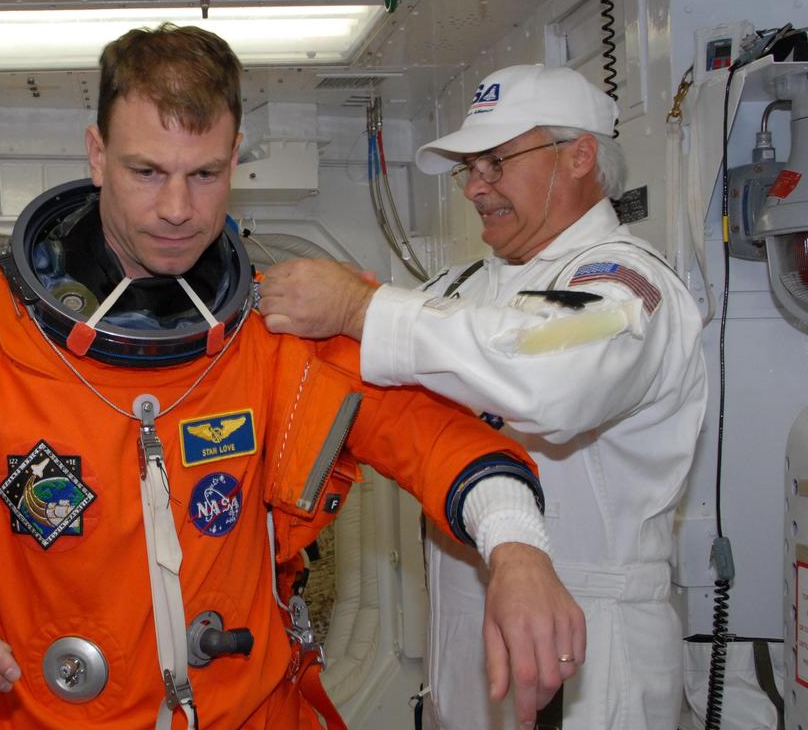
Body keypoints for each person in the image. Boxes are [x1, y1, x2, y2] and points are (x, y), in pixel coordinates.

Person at [0, 26, 584, 729]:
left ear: (235, 156)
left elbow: (434, 436)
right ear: (95, 155)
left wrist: (517, 548)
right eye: (146, 171)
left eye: (205, 174)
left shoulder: (275, 328)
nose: (177, 209)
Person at [258, 63, 706, 729]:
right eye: (471, 166)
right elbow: (377, 366)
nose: (474, 187)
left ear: (579, 155)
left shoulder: (626, 285)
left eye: (495, 162)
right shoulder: (466, 287)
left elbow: (550, 371)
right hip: (464, 657)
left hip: (591, 661)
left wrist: (361, 308)